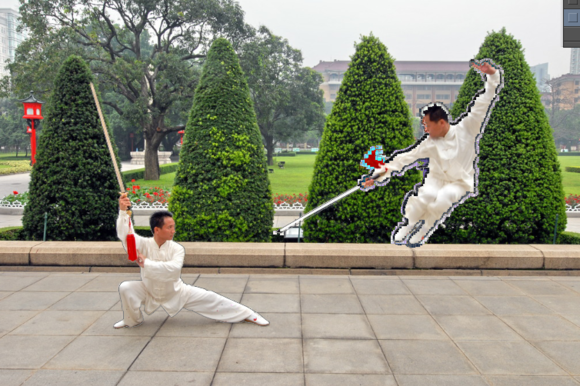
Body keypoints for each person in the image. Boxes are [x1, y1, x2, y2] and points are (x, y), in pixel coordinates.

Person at [364, 59, 503, 247]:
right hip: (435, 179)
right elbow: (404, 159)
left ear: (442, 123)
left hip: (460, 182)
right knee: (425, 197)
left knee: (442, 200)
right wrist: (377, 176)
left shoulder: (468, 128)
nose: (426, 130)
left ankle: (424, 229)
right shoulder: (429, 143)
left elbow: (485, 101)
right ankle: (408, 224)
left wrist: (492, 75)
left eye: (428, 125)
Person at [114, 192, 269, 328]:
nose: (173, 231)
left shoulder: (177, 249)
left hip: (176, 291)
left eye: (173, 227)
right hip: (148, 290)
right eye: (169, 227)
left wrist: (146, 263)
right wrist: (122, 212)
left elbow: (173, 270)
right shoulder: (143, 244)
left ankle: (248, 314)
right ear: (157, 230)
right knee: (126, 287)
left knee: (212, 299)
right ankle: (131, 320)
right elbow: (126, 234)